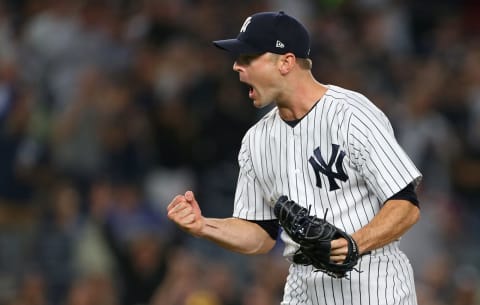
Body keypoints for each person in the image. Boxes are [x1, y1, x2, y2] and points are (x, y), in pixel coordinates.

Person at [167, 11, 422, 305]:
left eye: (248, 57)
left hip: (372, 280)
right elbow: (261, 235)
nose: (236, 66)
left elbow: (406, 204)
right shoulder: (256, 140)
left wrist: (354, 243)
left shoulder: (351, 114)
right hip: (303, 283)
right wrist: (203, 226)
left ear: (286, 62)